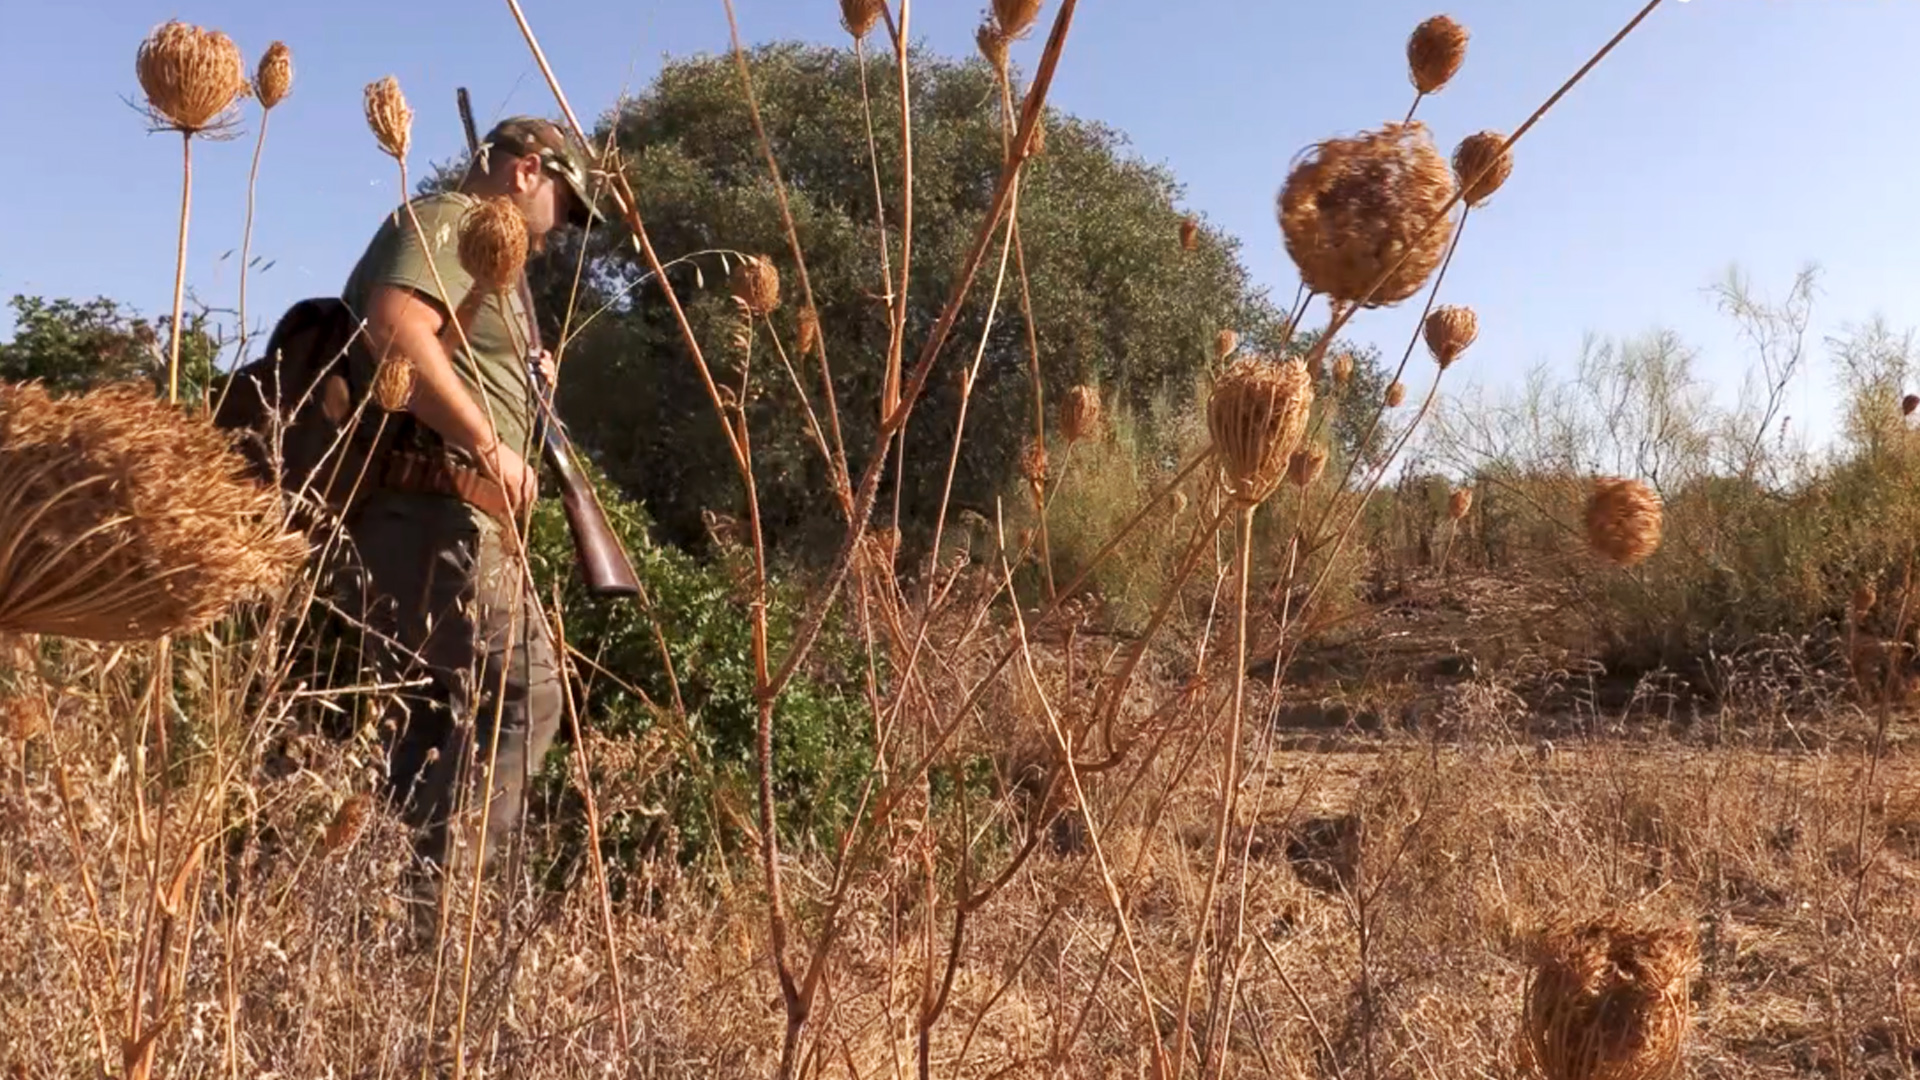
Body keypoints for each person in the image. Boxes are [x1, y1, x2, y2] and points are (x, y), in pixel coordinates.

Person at [331, 116, 607, 906]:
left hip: (436, 517)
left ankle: (401, 934)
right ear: (528, 171)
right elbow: (394, 330)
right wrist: (492, 446)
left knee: (431, 724)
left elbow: (444, 344)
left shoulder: (498, 272)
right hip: (432, 509)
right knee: (525, 696)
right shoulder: (448, 217)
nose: (563, 225)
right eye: (564, 198)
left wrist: (526, 376)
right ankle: (448, 929)